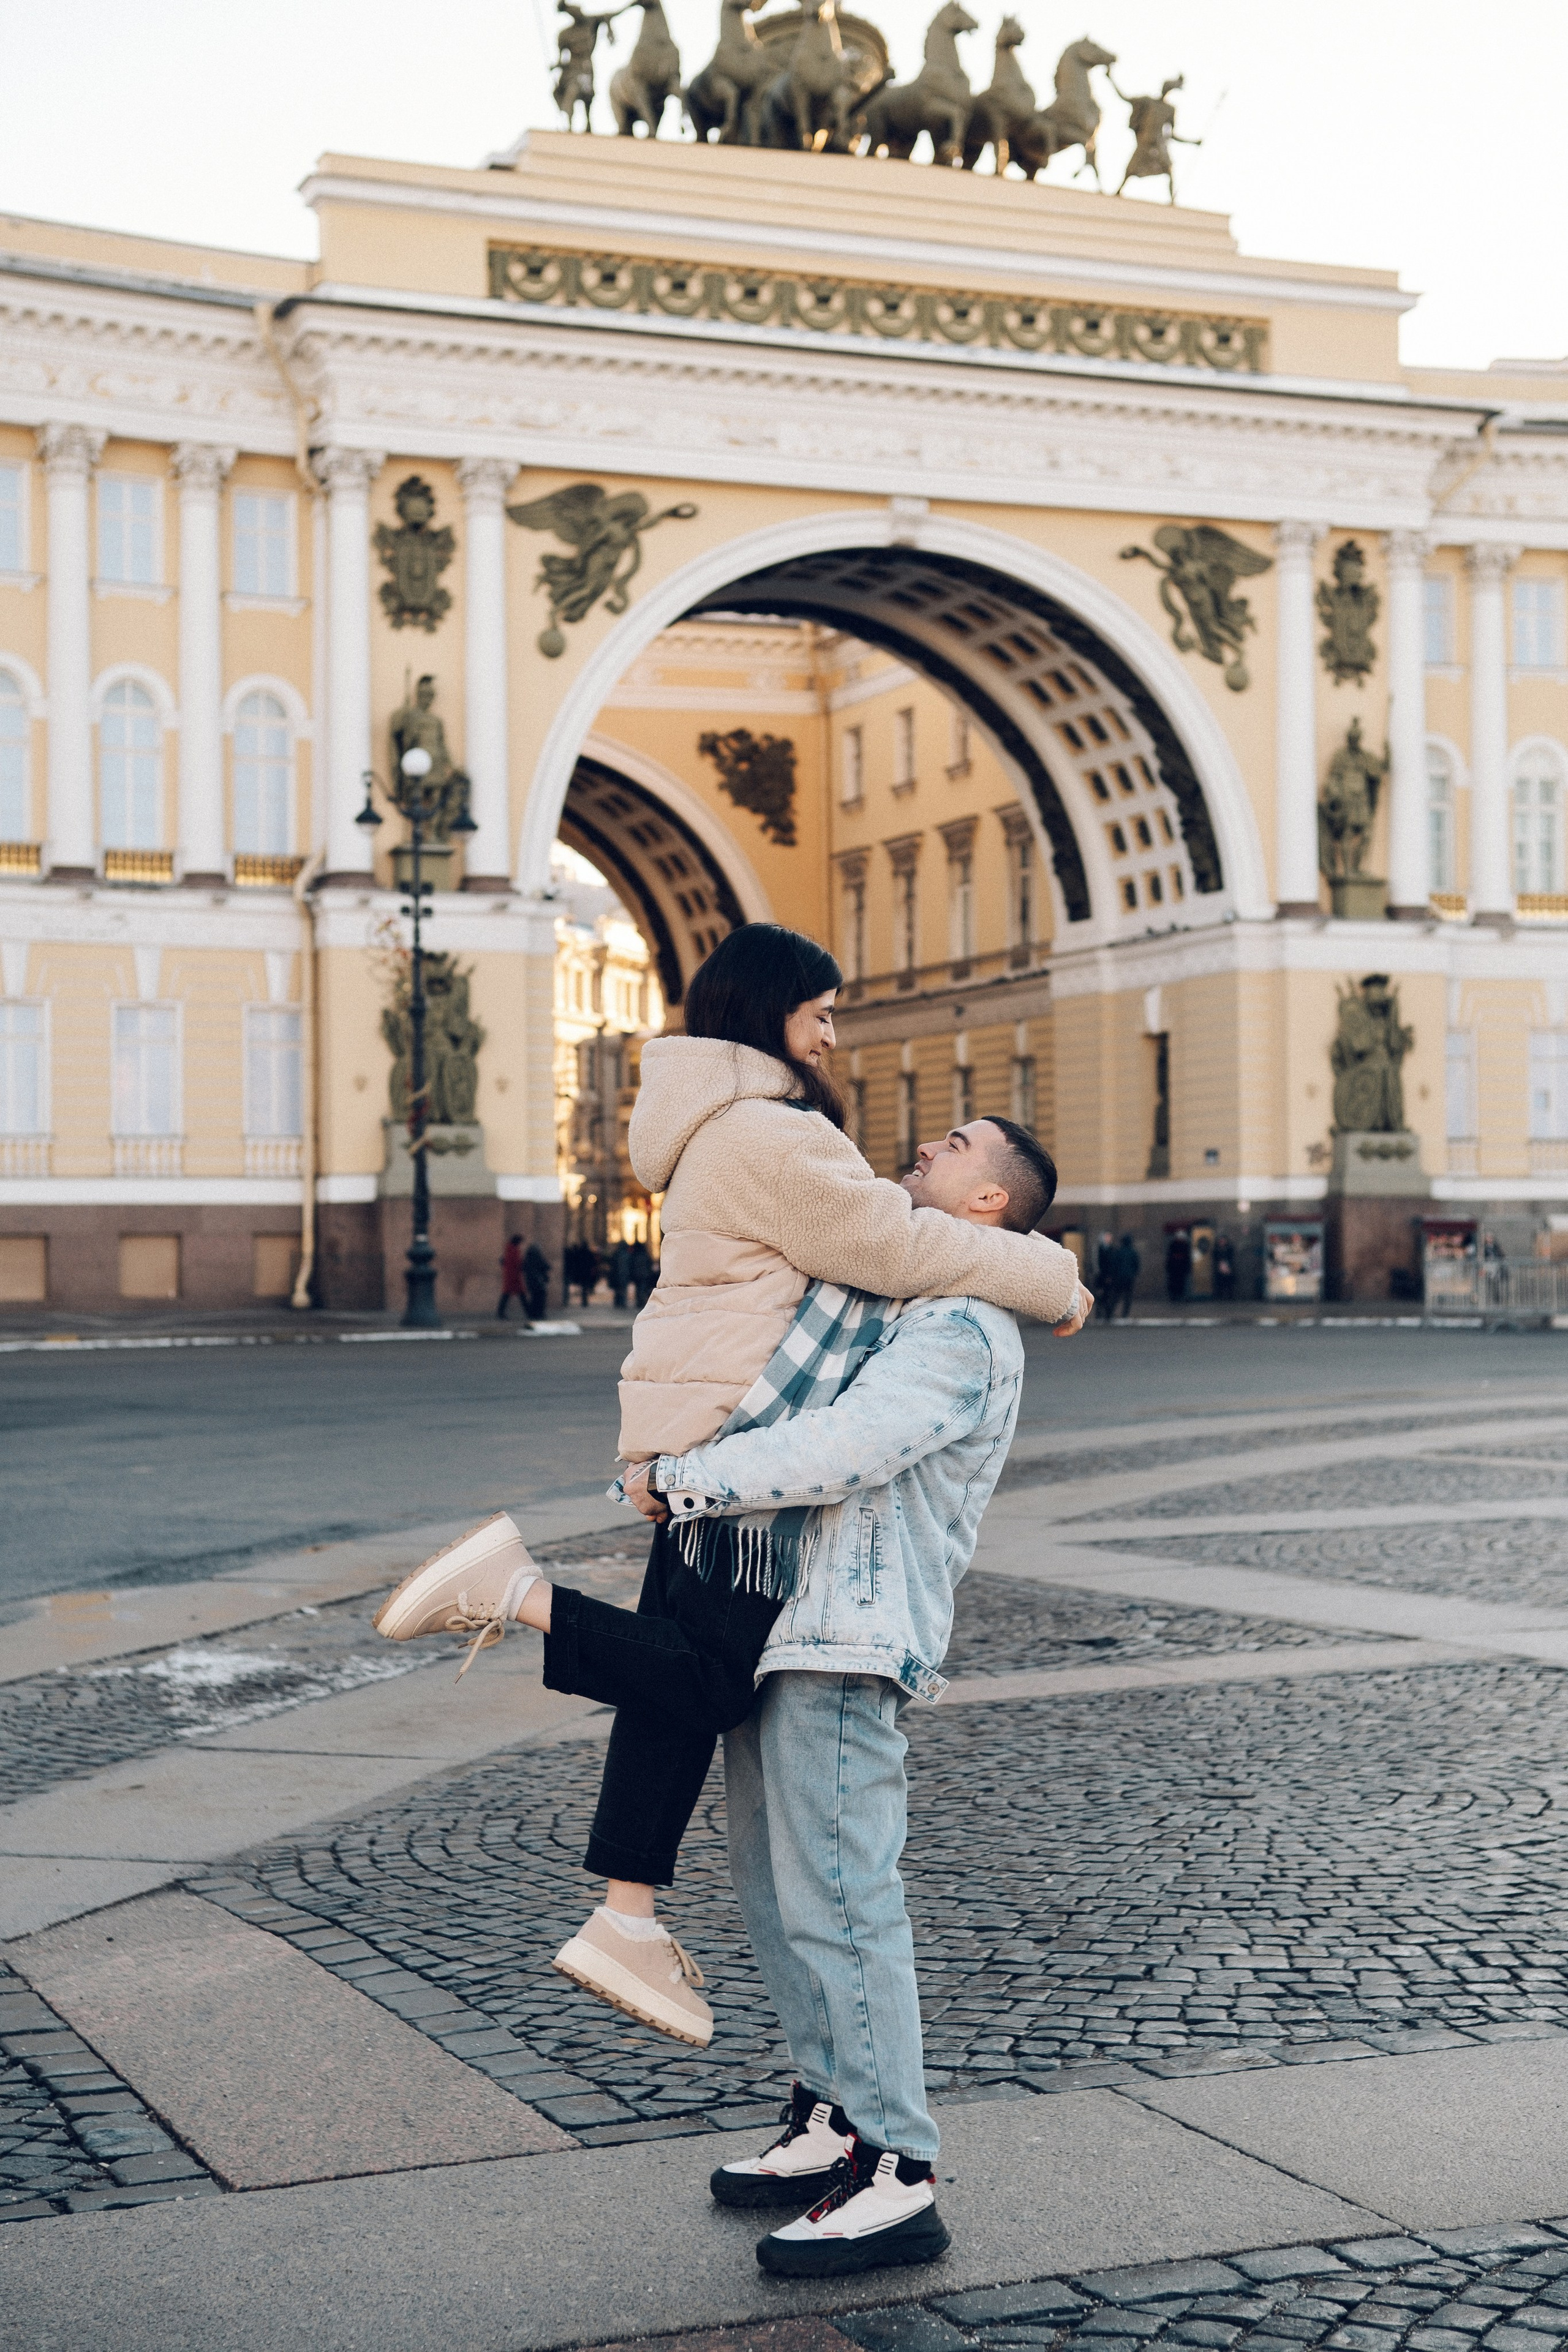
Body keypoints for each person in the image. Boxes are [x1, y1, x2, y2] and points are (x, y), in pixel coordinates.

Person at [373, 923, 1088, 2050]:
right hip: (733, 1437)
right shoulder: (771, 1132)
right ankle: (513, 1592)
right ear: (770, 1010)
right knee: (706, 1680)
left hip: (703, 1419)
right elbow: (896, 1247)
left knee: (674, 1686)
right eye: (822, 1014)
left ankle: (626, 1917)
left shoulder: (727, 1120)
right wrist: (1051, 1275)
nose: (833, 1037)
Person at [1110, 1230, 1140, 1317]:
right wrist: (1134, 1274)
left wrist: (1113, 1275)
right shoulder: (1133, 1252)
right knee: (1128, 1297)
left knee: (1116, 1296)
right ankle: (1125, 1314)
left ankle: (1110, 1313)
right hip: (1129, 1278)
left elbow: (1114, 1265)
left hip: (1119, 1278)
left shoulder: (1118, 1252)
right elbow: (1137, 1265)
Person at [497, 1234, 527, 1321]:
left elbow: (504, 1261)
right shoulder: (514, 1251)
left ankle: (500, 1313)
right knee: (520, 1296)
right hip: (514, 1277)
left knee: (507, 1295)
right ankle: (529, 1312)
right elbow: (517, 1263)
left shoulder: (509, 1249)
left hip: (511, 1276)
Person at [523, 1239, 551, 1322]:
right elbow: (546, 1266)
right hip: (539, 1281)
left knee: (534, 1298)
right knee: (540, 1298)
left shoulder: (528, 1258)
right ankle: (539, 1314)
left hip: (531, 1282)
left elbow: (524, 1268)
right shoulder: (537, 1257)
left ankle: (534, 1314)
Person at [1165, 1227, 1191, 1303]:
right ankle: (1174, 1296)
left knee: (1181, 1283)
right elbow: (1170, 1257)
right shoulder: (1173, 1245)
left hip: (1181, 1268)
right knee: (1174, 1283)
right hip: (1174, 1268)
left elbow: (1187, 1257)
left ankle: (1180, 1296)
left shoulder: (1185, 1246)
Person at [630, 1235, 655, 1308]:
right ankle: (642, 1301)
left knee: (638, 1289)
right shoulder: (645, 1255)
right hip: (644, 1275)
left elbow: (632, 1266)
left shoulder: (634, 1256)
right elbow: (649, 1265)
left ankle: (639, 1301)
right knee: (643, 1288)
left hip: (637, 1275)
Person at [610, 1236, 633, 1311]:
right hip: (625, 1274)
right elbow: (630, 1265)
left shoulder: (616, 1254)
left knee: (618, 1289)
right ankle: (623, 1302)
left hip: (618, 1274)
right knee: (623, 1289)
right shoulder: (628, 1255)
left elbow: (613, 1265)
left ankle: (618, 1302)